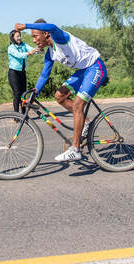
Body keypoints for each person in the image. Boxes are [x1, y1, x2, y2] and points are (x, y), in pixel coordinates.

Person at [14, 19, 107, 162]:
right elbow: (44, 75)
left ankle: (75, 149)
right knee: (59, 96)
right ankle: (85, 122)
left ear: (45, 34)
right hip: (83, 71)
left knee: (77, 105)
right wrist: (34, 93)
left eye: (35, 36)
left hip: (95, 67)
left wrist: (26, 26)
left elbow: (52, 26)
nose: (33, 40)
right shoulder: (50, 53)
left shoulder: (60, 38)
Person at [8, 30, 39, 113]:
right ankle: (16, 115)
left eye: (20, 36)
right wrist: (29, 53)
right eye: (17, 36)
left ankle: (24, 114)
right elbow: (19, 55)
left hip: (22, 72)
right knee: (17, 94)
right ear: (13, 38)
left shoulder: (23, 45)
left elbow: (31, 49)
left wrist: (38, 50)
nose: (19, 38)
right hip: (14, 73)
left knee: (23, 94)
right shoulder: (11, 48)